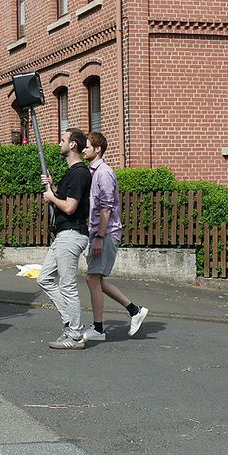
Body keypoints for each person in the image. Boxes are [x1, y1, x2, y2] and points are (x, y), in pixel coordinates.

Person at [82, 132, 149, 341]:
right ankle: (134, 310)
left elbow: (107, 208)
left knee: (93, 278)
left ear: (97, 149)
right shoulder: (92, 172)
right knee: (95, 280)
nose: (84, 149)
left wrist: (100, 237)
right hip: (98, 232)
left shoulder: (104, 173)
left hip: (106, 233)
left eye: (87, 146)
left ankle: (99, 329)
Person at [37, 127, 92, 350]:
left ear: (73, 145)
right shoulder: (71, 172)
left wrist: (51, 197)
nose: (59, 143)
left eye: (63, 140)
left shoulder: (79, 172)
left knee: (68, 285)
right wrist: (54, 188)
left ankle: (76, 334)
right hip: (63, 234)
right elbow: (66, 198)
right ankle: (70, 322)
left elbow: (70, 207)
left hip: (71, 234)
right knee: (44, 279)